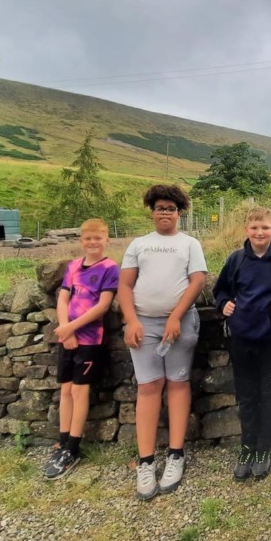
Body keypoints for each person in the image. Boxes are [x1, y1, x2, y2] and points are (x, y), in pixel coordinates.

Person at [117, 185, 207, 501]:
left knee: (178, 383)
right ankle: (145, 462)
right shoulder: (139, 244)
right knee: (148, 387)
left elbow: (198, 280)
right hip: (144, 324)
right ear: (152, 211)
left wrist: (175, 317)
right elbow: (125, 284)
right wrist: (131, 320)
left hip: (179, 323)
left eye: (170, 208)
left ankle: (176, 454)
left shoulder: (189, 244)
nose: (164, 212)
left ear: (179, 211)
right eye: (159, 208)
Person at [213, 207, 271, 481]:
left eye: (265, 228)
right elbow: (220, 289)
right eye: (254, 228)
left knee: (269, 393)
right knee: (246, 394)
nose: (259, 233)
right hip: (242, 338)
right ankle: (247, 448)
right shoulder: (236, 260)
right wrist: (224, 304)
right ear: (247, 230)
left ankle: (264, 449)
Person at [44, 219, 120, 479]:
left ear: (106, 240)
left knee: (79, 390)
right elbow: (63, 297)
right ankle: (62, 441)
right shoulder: (74, 266)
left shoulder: (111, 268)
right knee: (65, 389)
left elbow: (102, 306)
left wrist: (72, 328)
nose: (93, 242)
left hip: (90, 338)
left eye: (98, 238)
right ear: (81, 241)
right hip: (69, 336)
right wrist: (65, 328)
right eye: (88, 238)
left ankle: (74, 447)